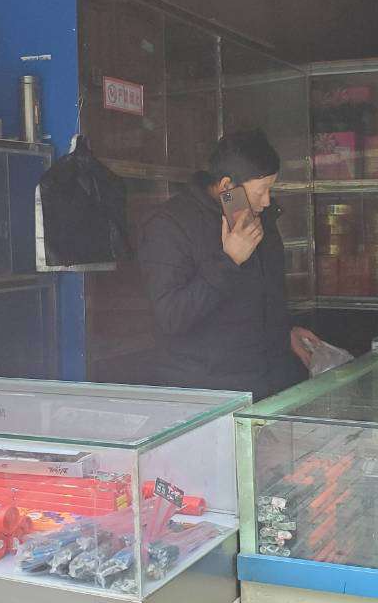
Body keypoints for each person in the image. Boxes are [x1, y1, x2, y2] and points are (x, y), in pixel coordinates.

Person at [138, 129, 321, 401]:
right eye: (261, 191)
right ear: (226, 186)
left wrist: (284, 332)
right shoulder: (170, 225)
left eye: (270, 189)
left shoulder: (258, 218)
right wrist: (229, 260)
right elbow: (171, 316)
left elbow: (266, 294)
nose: (267, 200)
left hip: (265, 382)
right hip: (208, 391)